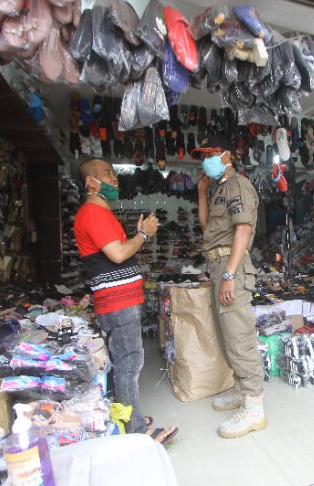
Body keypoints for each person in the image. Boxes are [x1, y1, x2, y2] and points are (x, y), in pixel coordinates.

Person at [74, 158, 177, 445]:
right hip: (118, 304)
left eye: (114, 174)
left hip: (120, 302)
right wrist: (144, 235)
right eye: (107, 174)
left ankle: (128, 418)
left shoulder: (101, 214)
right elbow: (118, 254)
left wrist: (139, 235)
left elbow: (120, 252)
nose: (115, 179)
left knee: (126, 361)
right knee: (129, 363)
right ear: (90, 183)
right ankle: (135, 432)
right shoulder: (92, 213)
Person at [194, 135, 266, 439]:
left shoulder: (238, 185)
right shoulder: (220, 188)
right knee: (228, 337)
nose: (205, 159)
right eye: (203, 155)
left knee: (240, 338)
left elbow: (244, 229)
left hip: (230, 266)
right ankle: (240, 390)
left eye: (211, 154)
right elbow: (207, 228)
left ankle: (254, 408)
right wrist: (201, 192)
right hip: (218, 264)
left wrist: (229, 274)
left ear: (226, 156)